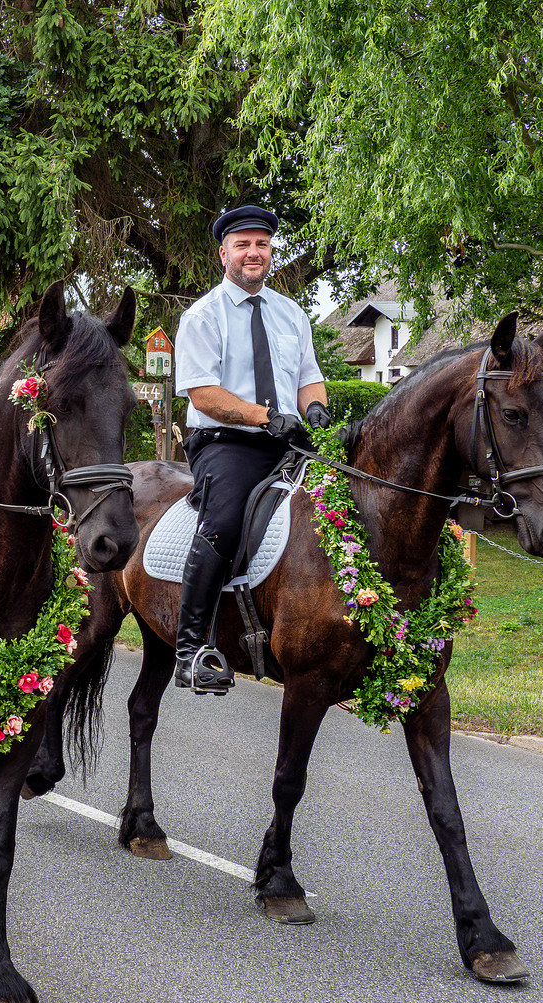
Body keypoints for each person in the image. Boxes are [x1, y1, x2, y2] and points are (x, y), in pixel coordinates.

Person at [171, 205, 331, 694]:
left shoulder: (292, 314)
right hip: (225, 442)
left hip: (288, 439)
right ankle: (191, 648)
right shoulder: (202, 316)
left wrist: (317, 410)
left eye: (261, 244)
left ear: (271, 252)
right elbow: (203, 395)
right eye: (242, 245)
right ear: (224, 254)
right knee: (223, 518)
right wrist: (265, 416)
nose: (253, 253)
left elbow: (309, 379)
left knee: (344, 505)